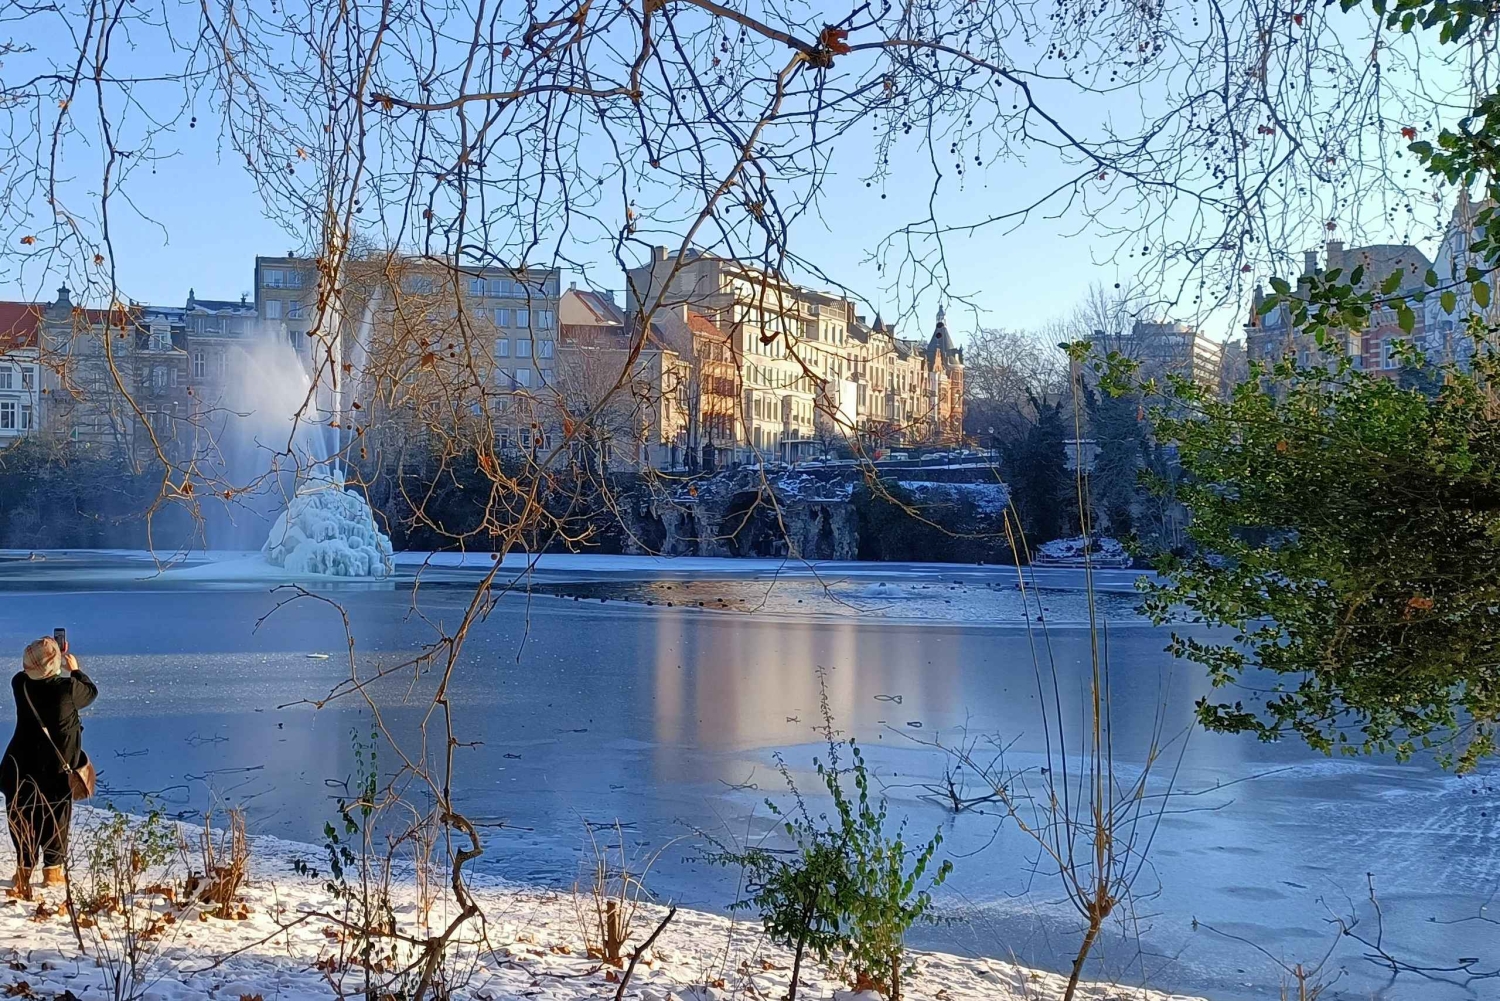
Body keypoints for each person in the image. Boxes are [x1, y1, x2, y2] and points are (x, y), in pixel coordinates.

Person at [1, 637, 97, 897]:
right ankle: (52, 872)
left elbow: (31, 674)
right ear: (54, 664)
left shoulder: (19, 684)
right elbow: (90, 692)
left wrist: (48, 660)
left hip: (20, 765)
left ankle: (23, 871)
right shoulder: (68, 689)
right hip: (56, 769)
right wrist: (75, 669)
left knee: (22, 817)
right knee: (56, 817)